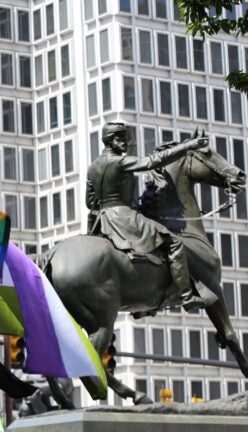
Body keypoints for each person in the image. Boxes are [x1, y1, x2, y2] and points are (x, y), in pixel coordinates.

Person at [86, 122, 214, 311]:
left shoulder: (93, 167)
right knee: (173, 242)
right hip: (123, 217)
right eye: (121, 139)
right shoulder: (119, 161)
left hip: (102, 221)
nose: (125, 143)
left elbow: (90, 202)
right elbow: (151, 162)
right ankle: (186, 296)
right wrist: (188, 146)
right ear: (111, 140)